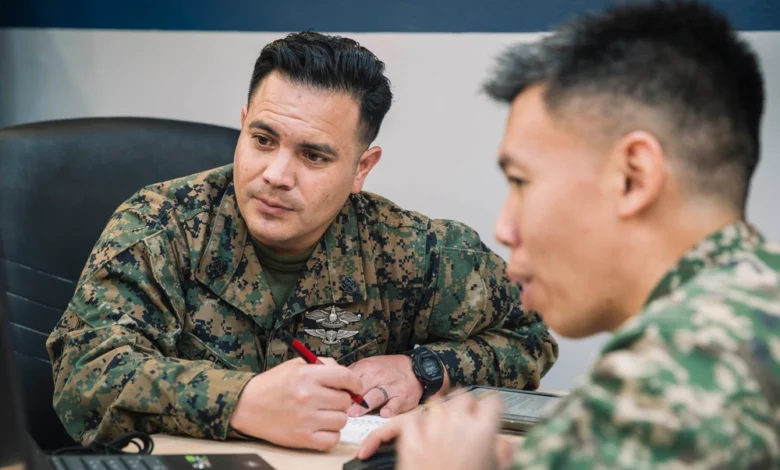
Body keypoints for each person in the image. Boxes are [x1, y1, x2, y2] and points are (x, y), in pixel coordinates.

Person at [46, 31, 558, 452]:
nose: (276, 175)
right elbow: (83, 376)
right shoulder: (161, 226)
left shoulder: (411, 249)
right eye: (263, 140)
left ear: (361, 168)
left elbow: (530, 335)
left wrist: (426, 369)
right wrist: (240, 400)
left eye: (314, 156)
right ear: (243, 126)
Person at [358, 1, 780, 468]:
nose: (504, 227)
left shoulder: (679, 370)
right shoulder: (755, 300)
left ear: (632, 178)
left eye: (521, 181)